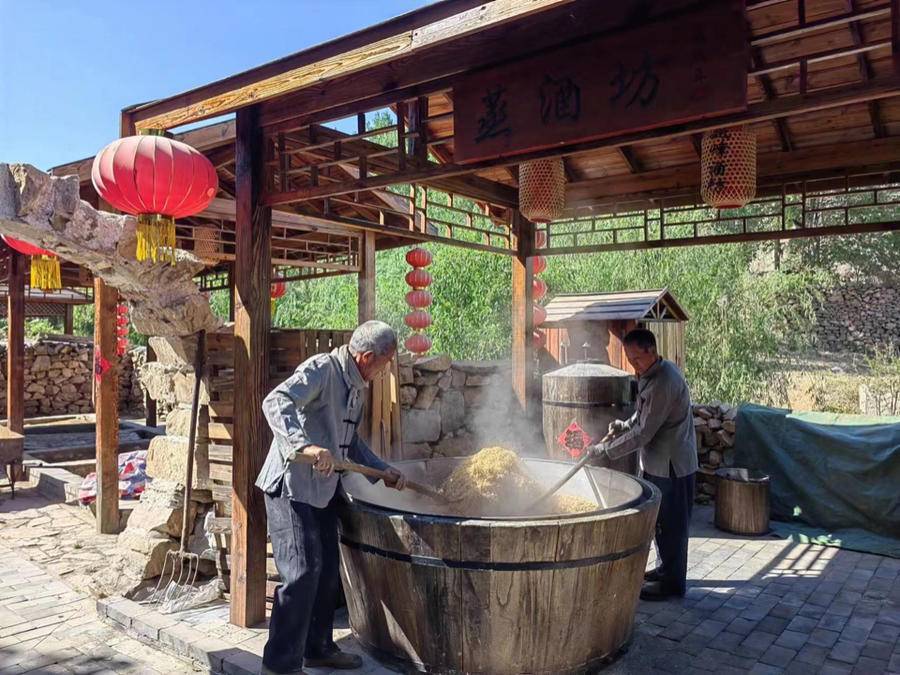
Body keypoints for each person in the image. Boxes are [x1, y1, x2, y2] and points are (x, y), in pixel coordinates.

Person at [256, 320, 408, 675]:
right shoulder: (322, 370)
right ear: (367, 357)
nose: (385, 372)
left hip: (324, 490)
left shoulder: (356, 387)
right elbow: (275, 401)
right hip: (291, 488)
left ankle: (318, 649)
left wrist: (382, 470)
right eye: (384, 364)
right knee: (302, 573)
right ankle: (279, 665)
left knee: (326, 574)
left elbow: (350, 443)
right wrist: (304, 446)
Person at [589, 328, 698, 601]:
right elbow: (643, 415)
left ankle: (673, 584)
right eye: (629, 359)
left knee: (673, 526)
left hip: (672, 465)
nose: (633, 364)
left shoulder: (664, 381)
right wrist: (624, 424)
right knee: (661, 523)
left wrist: (605, 450)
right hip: (658, 463)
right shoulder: (652, 375)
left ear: (652, 351)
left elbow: (644, 433)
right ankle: (666, 570)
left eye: (636, 358)